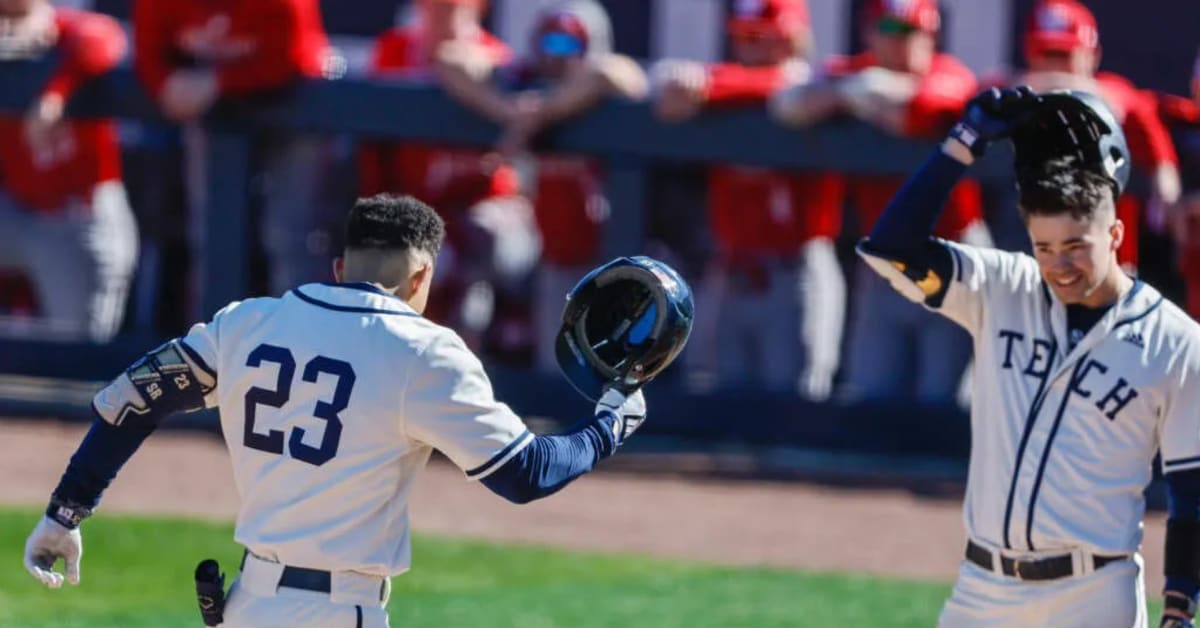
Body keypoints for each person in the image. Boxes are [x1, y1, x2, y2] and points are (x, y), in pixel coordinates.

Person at [22, 194, 649, 627]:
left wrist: (65, 512)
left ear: (340, 266)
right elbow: (528, 473)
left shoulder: (246, 322)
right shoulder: (423, 350)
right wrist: (609, 423)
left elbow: (132, 400)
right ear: (422, 276)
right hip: (336, 612)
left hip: (246, 606)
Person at [859, 86, 1200, 627]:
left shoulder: (1177, 343)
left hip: (1094, 594)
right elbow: (890, 249)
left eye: (1075, 248)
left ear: (1115, 233)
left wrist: (1179, 609)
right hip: (983, 591)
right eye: (1044, 248)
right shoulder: (1002, 287)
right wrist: (962, 144)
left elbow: (1191, 494)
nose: (1059, 266)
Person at [770, 0, 989, 404]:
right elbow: (786, 105)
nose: (901, 43)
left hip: (951, 256)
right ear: (872, 33)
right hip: (885, 261)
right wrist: (849, 93)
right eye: (891, 30)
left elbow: (929, 108)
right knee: (870, 394)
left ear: (931, 34)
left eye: (911, 32)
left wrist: (872, 96)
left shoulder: (949, 73)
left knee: (945, 401)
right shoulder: (854, 74)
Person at [435, 0, 649, 374]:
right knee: (556, 364)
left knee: (608, 366)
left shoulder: (596, 90)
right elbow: (450, 60)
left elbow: (617, 74)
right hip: (549, 256)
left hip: (611, 258)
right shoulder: (522, 83)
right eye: (550, 44)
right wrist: (506, 112)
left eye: (569, 46)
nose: (558, 57)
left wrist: (537, 116)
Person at [650, 0, 844, 398]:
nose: (747, 47)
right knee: (717, 401)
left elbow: (787, 89)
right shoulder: (722, 90)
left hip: (793, 271)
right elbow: (667, 98)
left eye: (759, 38)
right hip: (732, 266)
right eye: (741, 36)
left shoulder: (811, 91)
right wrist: (708, 86)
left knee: (793, 410)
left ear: (791, 38)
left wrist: (710, 86)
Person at [132, 0, 336, 309]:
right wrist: (165, 84)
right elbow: (148, 53)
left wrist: (218, 82)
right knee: (211, 236)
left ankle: (299, 344)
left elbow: (292, 58)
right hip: (213, 114)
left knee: (289, 237)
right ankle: (212, 344)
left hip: (294, 108)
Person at [1005, 0, 1182, 267]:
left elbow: (1162, 166)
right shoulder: (1008, 92)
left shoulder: (1118, 93)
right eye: (1046, 53)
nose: (1054, 66)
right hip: (1026, 263)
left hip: (1109, 267)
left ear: (1091, 55)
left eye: (1064, 55)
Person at [0, 0, 138, 341]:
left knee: (77, 353)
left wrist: (56, 94)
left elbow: (106, 39)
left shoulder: (71, 33)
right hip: (16, 207)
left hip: (78, 213)